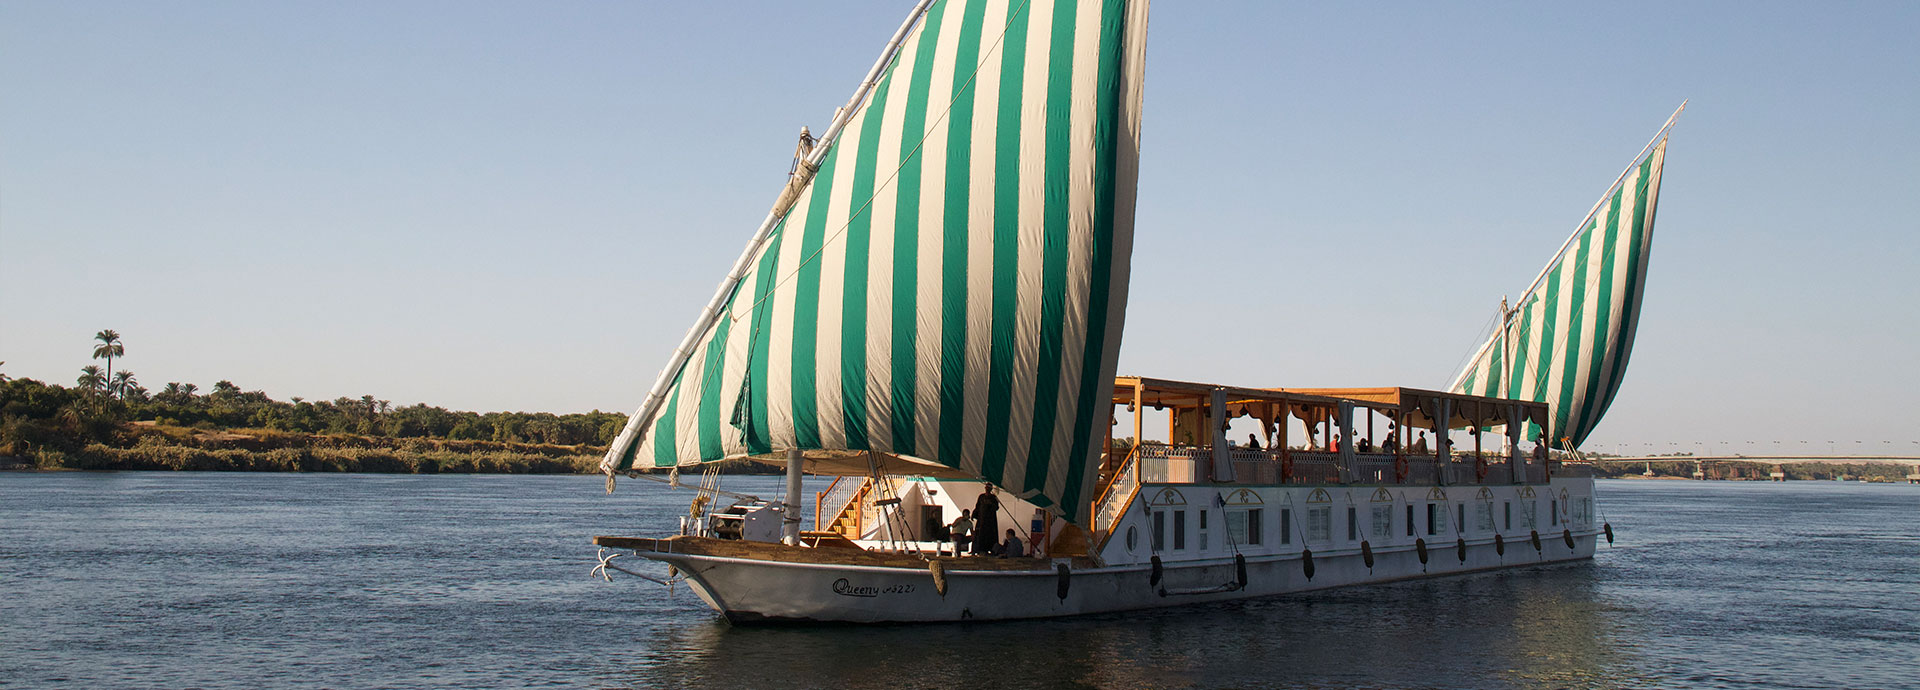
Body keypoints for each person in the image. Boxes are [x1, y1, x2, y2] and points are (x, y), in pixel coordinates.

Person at [971, 483, 1001, 556]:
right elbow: (977, 506)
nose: (987, 489)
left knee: (991, 535)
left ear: (991, 489)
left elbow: (996, 507)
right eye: (986, 488)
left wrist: (990, 503)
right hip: (982, 520)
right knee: (981, 535)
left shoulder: (993, 498)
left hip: (990, 521)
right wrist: (973, 514)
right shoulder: (981, 497)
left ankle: (992, 549)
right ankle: (981, 549)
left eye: (988, 488)